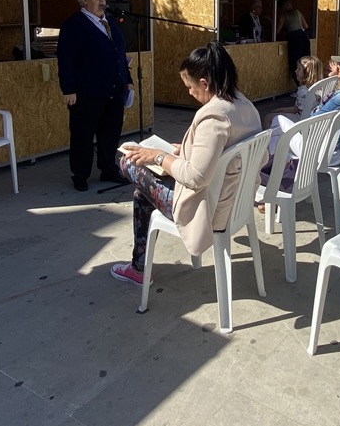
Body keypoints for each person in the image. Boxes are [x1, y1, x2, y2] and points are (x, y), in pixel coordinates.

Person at [112, 42, 261, 288]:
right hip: (237, 199)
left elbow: (195, 178)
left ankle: (139, 268)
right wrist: (188, 151)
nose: (190, 93)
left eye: (190, 87)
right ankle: (139, 267)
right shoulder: (244, 104)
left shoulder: (214, 115)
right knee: (142, 194)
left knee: (129, 162)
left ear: (204, 83)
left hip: (210, 209)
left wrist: (158, 157)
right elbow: (238, 152)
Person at [57, 0, 134, 192]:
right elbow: (65, 59)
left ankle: (108, 169)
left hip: (113, 89)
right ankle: (80, 175)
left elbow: (120, 55)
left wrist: (128, 81)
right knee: (83, 134)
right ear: (83, 0)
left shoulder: (110, 23)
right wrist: (68, 89)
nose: (102, 1)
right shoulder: (74, 25)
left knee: (110, 133)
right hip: (86, 91)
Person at [263, 46, 340, 190]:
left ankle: (267, 179)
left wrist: (315, 109)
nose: (338, 67)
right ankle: (275, 182)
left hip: (322, 153)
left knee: (278, 121)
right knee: (277, 137)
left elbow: (311, 122)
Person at [264, 55, 325, 129]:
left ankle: (269, 136)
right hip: (311, 119)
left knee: (268, 118)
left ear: (307, 72)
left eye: (299, 69)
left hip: (299, 120)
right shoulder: (320, 87)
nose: (296, 71)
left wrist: (280, 109)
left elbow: (294, 110)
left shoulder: (303, 91)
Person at [275, 0, 311, 81]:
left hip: (294, 38)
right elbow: (306, 26)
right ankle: (308, 83)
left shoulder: (284, 15)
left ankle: (299, 84)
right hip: (304, 36)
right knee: (306, 62)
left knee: (295, 64)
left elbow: (277, 31)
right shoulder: (297, 12)